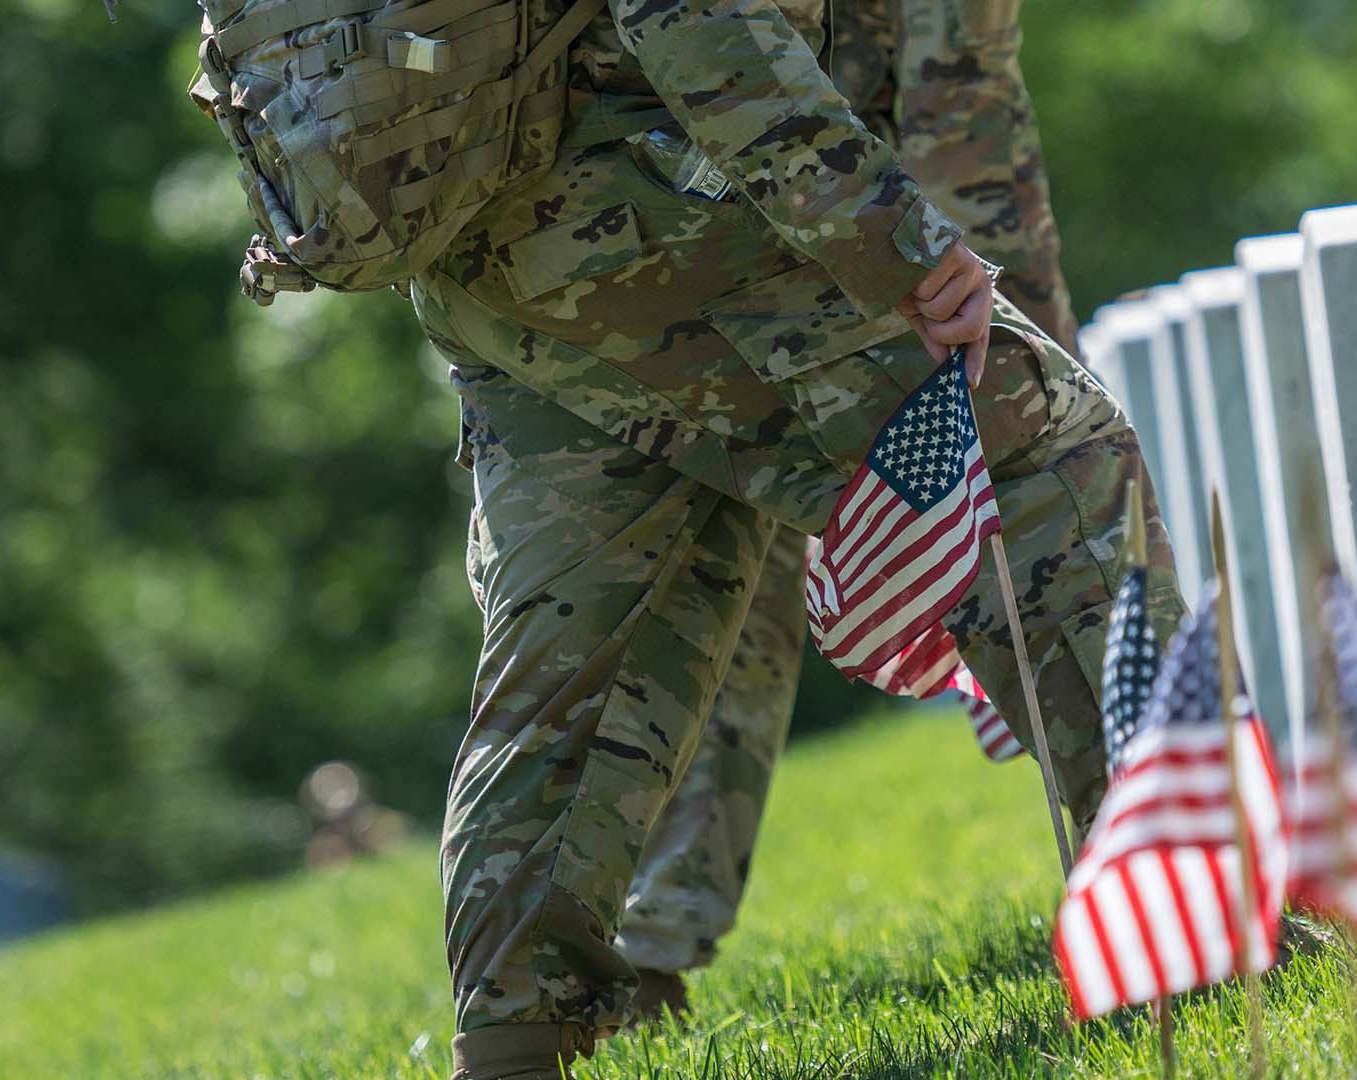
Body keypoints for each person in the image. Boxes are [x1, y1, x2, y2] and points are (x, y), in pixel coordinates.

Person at [407, 1, 1189, 1074]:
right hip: (667, 198)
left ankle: (513, 1046)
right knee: (1047, 446)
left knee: (594, 622)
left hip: (490, 238)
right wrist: (900, 248)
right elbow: (714, 21)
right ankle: (1193, 907)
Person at [612, 0, 1086, 1022]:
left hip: (631, 205)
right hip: (810, 202)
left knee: (710, 559)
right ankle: (1174, 875)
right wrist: (1020, 347)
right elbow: (964, 109)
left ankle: (642, 951)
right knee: (722, 565)